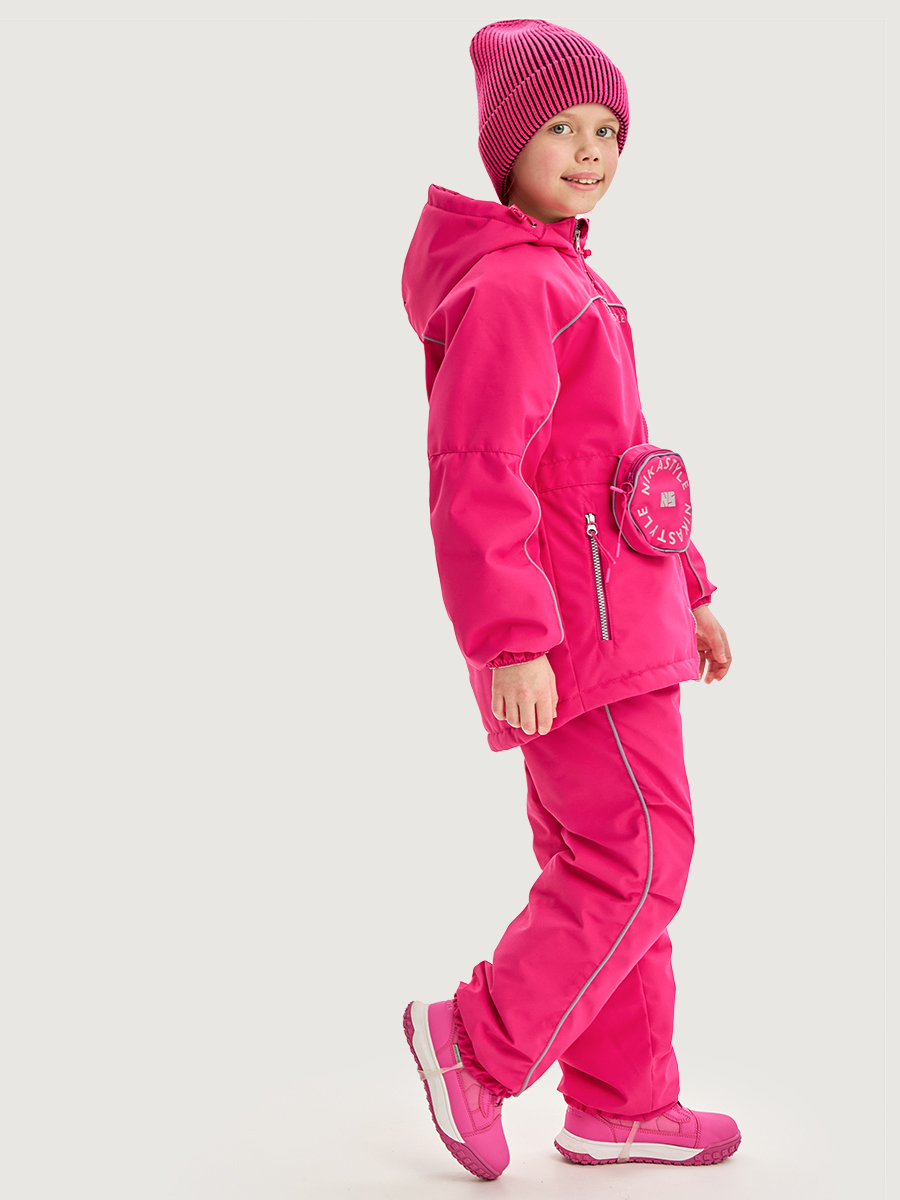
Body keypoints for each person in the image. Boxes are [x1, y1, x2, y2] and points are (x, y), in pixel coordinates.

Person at [400, 19, 738, 1181]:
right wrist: (512, 642)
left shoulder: (564, 274)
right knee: (636, 861)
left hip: (627, 618)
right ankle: (476, 1043)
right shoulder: (511, 286)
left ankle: (622, 1102)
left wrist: (688, 587)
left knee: (616, 864)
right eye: (561, 128)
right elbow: (476, 473)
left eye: (607, 129)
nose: (591, 151)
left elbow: (621, 463)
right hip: (575, 636)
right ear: (508, 147)